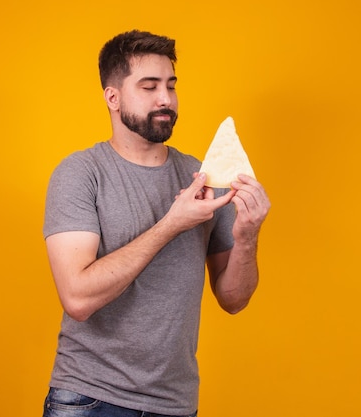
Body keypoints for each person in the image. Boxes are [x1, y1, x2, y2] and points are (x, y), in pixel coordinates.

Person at [42, 29, 270, 417]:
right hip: (90, 399)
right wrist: (171, 223)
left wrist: (247, 236)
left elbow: (234, 299)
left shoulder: (201, 175)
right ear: (112, 98)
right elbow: (78, 299)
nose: (166, 99)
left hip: (175, 404)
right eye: (149, 87)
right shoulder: (81, 174)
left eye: (171, 85)